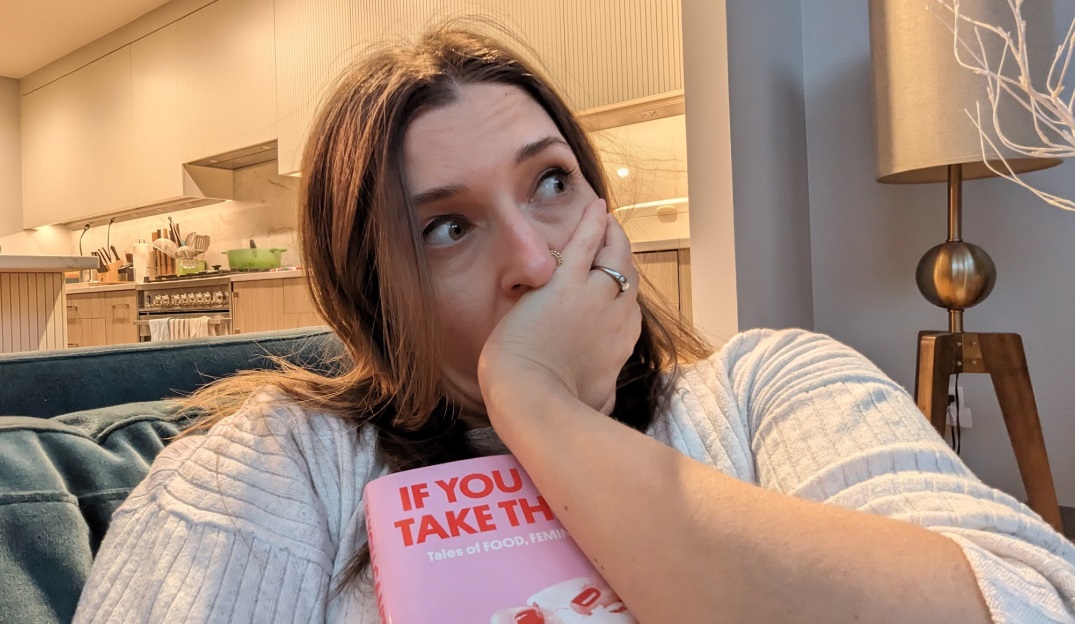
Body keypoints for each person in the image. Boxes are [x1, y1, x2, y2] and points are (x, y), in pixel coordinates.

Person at [74, 24, 1075, 624]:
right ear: (375, 296)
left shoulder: (771, 388)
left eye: (551, 183)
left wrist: (541, 410)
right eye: (448, 227)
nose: (537, 260)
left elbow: (1021, 603)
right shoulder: (270, 468)